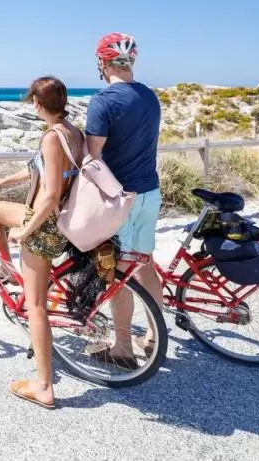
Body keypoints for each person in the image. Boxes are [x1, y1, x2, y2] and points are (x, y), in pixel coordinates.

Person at [0, 76, 83, 410]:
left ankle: (44, 387)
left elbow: (51, 193)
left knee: (36, 308)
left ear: (37, 104)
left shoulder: (52, 138)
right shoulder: (72, 132)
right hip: (54, 218)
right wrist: (4, 180)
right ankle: (9, 269)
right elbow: (44, 172)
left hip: (43, 224)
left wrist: (25, 231)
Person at [83, 32, 163, 370]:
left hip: (122, 198)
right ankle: (156, 337)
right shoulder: (150, 96)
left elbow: (92, 155)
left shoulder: (104, 101)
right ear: (132, 61)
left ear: (102, 63)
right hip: (150, 191)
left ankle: (123, 348)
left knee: (118, 272)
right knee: (145, 264)